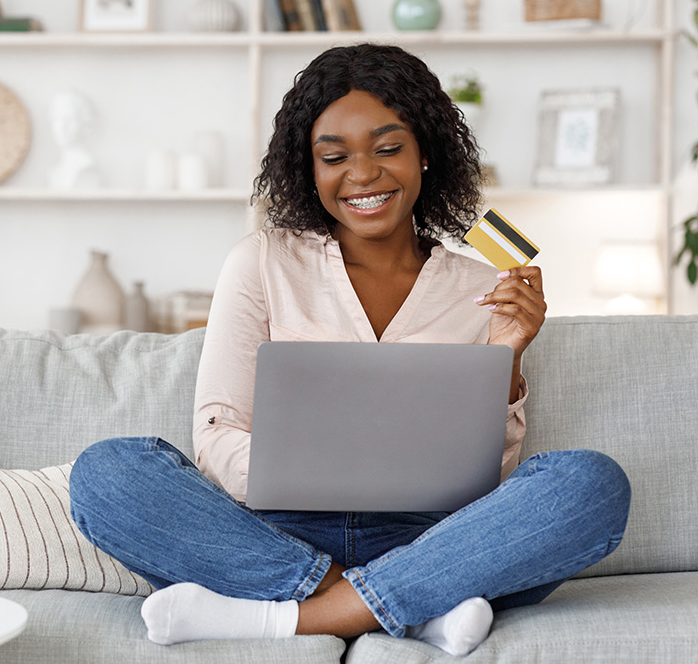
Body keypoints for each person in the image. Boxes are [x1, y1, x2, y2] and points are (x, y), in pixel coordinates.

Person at [69, 44, 631, 657]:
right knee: (109, 473)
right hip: (274, 535)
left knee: (591, 484)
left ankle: (285, 617)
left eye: (388, 148)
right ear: (309, 169)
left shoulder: (483, 287)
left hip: (433, 541)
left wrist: (509, 353)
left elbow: (484, 481)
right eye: (334, 157)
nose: (362, 175)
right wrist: (302, 471)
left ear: (425, 154)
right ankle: (411, 612)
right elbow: (216, 434)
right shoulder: (261, 261)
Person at [47, 90, 102, 191]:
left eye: (68, 119)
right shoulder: (57, 169)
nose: (61, 127)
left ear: (85, 124)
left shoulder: (86, 168)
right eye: (56, 118)